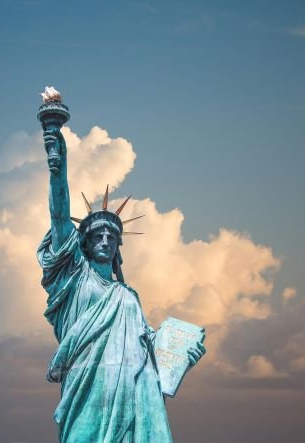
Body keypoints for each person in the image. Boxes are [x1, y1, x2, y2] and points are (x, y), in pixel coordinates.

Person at [37, 128, 206, 442]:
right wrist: (57, 166)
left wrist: (182, 354)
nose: (104, 241)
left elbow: (148, 347)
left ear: (118, 246)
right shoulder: (74, 277)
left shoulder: (126, 296)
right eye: (97, 235)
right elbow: (59, 215)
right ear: (83, 243)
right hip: (86, 387)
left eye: (111, 237)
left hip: (132, 389)